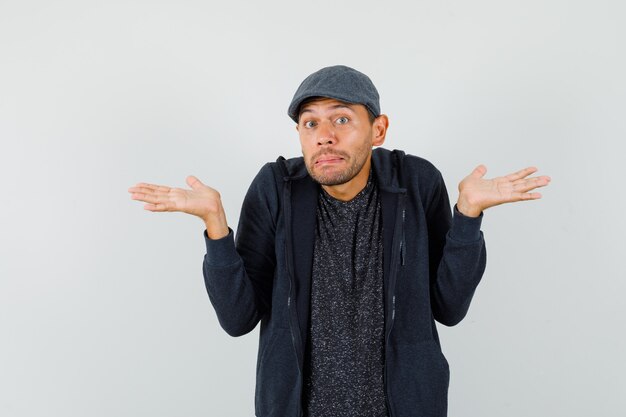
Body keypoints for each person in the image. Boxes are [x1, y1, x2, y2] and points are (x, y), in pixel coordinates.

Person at [128, 65, 550, 417]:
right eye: (310, 122)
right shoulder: (276, 187)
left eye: (342, 119)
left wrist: (468, 217)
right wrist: (215, 224)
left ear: (378, 129)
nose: (323, 135)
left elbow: (450, 307)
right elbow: (237, 320)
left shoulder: (416, 182)